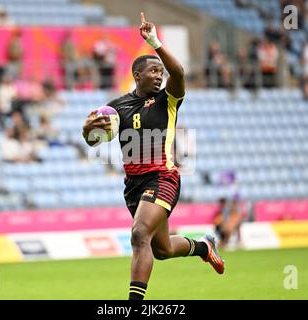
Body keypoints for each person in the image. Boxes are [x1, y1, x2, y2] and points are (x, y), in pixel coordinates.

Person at [82, 13, 225, 301]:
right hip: (133, 184)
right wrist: (88, 131)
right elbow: (94, 139)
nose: (160, 75)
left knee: (139, 235)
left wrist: (154, 42)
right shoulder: (117, 106)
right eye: (154, 71)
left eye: (161, 71)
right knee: (162, 250)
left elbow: (180, 73)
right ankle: (203, 247)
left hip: (162, 177)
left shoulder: (168, 99)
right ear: (137, 75)